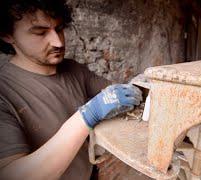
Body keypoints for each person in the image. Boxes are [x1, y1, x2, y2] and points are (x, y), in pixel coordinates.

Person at [0, 0, 142, 179]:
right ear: (7, 35)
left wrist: (139, 87)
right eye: (41, 32)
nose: (58, 42)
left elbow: (114, 92)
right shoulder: (4, 90)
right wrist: (88, 114)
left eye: (59, 29)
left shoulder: (73, 69)